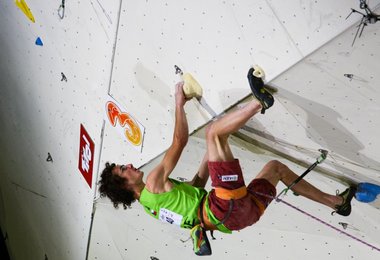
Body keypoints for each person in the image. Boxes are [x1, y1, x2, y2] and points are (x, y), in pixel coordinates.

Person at [99, 68, 356, 255]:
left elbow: (197, 186)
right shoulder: (153, 183)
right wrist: (179, 104)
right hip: (223, 208)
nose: (130, 165)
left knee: (276, 168)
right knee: (215, 133)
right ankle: (259, 101)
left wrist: (210, 156)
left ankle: (338, 203)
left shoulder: (151, 206)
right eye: (124, 169)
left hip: (239, 217)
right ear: (125, 185)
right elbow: (179, 142)